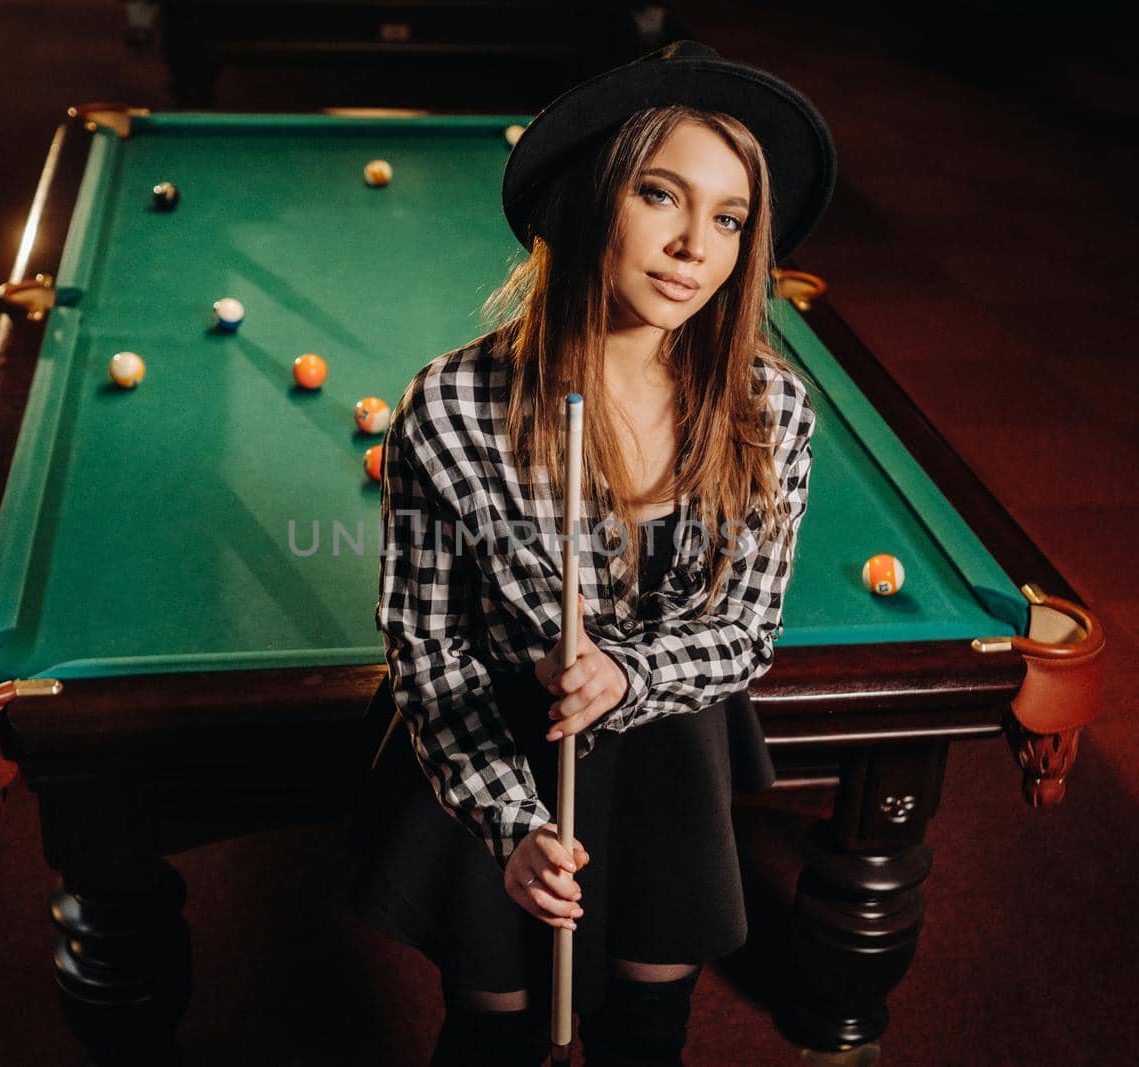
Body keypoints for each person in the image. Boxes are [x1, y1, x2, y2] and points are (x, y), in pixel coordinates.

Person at [347, 40, 835, 1067]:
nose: (694, 244)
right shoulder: (450, 404)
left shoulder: (769, 407)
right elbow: (429, 652)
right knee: (498, 1027)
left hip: (669, 744)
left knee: (646, 1028)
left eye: (729, 217)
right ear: (590, 198)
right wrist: (512, 823)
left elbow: (745, 629)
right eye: (661, 196)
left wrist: (630, 671)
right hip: (503, 743)